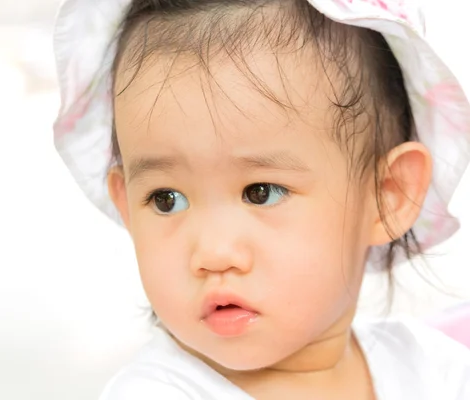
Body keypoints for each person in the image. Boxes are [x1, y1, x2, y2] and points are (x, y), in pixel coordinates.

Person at [53, 0, 470, 398]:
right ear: (126, 207)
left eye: (260, 193)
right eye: (167, 199)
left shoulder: (438, 371)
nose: (213, 254)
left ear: (386, 195)